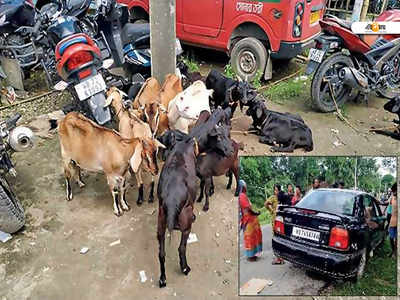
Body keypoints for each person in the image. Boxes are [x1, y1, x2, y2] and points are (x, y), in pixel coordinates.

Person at [239, 180, 263, 261]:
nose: (246, 187)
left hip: (249, 219)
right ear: (242, 187)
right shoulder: (242, 196)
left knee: (253, 237)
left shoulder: (243, 195)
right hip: (248, 220)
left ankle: (253, 254)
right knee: (250, 237)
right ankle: (251, 256)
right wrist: (256, 213)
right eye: (245, 186)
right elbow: (247, 209)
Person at [265, 184, 285, 265]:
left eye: (277, 190)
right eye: (275, 190)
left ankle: (280, 257)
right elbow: (266, 204)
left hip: (281, 220)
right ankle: (278, 256)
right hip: (275, 220)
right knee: (276, 237)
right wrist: (272, 211)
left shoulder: (281, 197)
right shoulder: (273, 197)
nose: (275, 191)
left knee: (280, 237)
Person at [388, 183, 397, 258]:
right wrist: (377, 202)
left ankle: (395, 253)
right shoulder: (392, 197)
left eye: (394, 191)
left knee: (397, 239)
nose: (393, 193)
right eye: (393, 191)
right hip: (392, 221)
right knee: (391, 238)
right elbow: (387, 203)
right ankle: (393, 251)